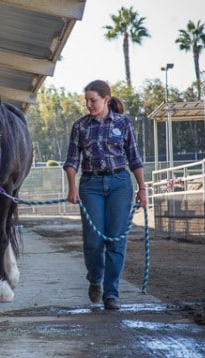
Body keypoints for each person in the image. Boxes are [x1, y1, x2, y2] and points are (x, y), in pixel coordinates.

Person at [63, 79, 147, 310]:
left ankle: (112, 293)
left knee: (116, 240)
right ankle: (95, 279)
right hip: (91, 185)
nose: (89, 105)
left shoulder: (123, 123)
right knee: (93, 240)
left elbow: (135, 159)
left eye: (93, 100)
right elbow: (71, 161)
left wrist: (142, 189)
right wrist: (72, 187)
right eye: (87, 101)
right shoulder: (80, 126)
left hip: (120, 183)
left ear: (106, 99)